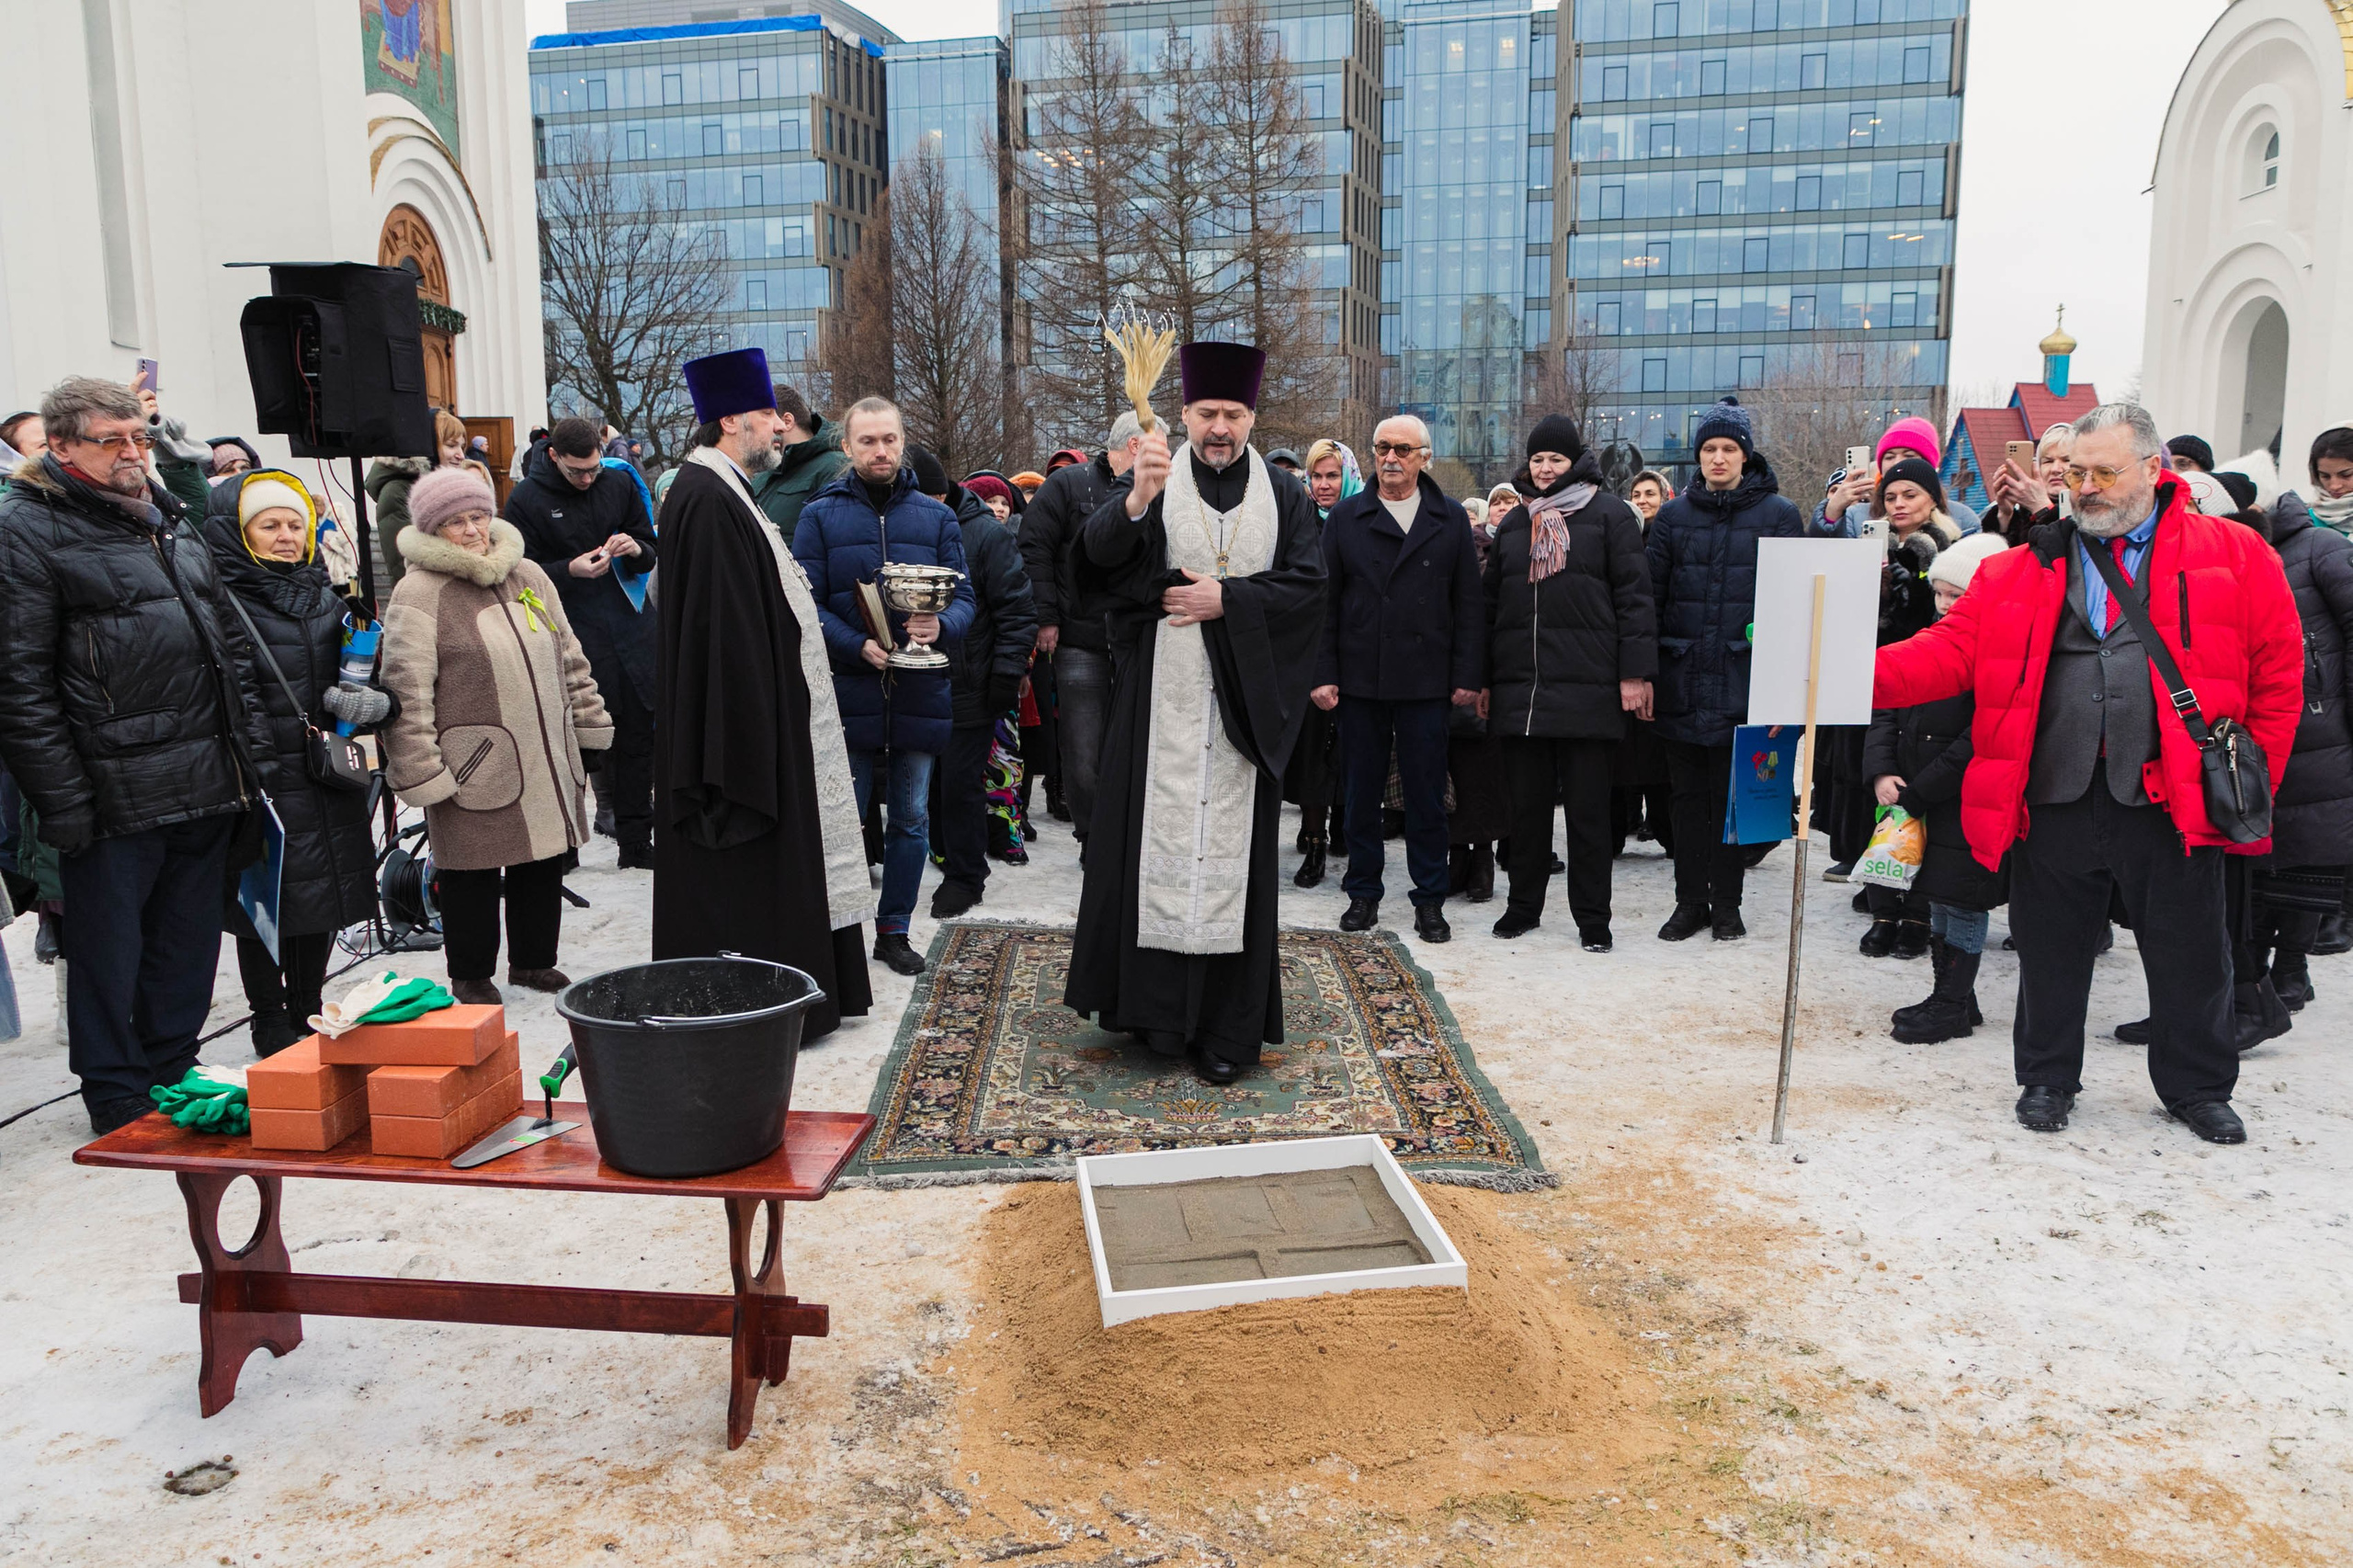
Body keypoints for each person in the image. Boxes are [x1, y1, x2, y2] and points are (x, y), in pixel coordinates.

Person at [1872, 403, 2302, 1144]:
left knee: (2190, 952)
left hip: (2174, 795)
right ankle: (2046, 1075)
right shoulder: (2022, 566)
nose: (2089, 488)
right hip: (2053, 790)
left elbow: (2279, 673)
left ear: (2153, 469)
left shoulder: (2233, 554)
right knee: (2049, 947)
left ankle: (2197, 1085)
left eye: (2105, 472)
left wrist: (2249, 769)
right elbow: (1945, 655)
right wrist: (1838, 675)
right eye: (2076, 474)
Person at [0, 377, 275, 1132]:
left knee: (185, 944)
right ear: (59, 446)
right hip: (109, 787)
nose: (132, 453)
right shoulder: (23, 528)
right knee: (108, 952)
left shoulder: (166, 518)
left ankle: (170, 1061)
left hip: (205, 774)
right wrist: (62, 799)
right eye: (112, 440)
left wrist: (246, 758)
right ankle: (114, 1085)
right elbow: (19, 684)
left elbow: (228, 649)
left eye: (139, 438)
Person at [1063, 342, 1325, 1085]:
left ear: (1252, 417)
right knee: (1154, 849)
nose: (1220, 428)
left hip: (1244, 712)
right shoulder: (1155, 473)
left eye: (1233, 415)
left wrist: (1229, 599)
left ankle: (1224, 1029)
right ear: (1183, 414)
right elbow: (1094, 570)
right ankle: (1154, 1018)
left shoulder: (1288, 495)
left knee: (1231, 864)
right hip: (1160, 705)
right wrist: (1137, 501)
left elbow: (1310, 590)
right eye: (1207, 413)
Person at [650, 349, 874, 1038]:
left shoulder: (723, 489)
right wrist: (749, 747)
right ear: (728, 423)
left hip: (766, 720)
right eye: (767, 419)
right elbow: (723, 642)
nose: (781, 429)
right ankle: (763, 1008)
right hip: (743, 738)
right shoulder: (707, 497)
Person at [380, 468, 613, 1005]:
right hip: (471, 759)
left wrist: (589, 721)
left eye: (478, 516)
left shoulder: (528, 574)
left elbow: (569, 656)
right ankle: (470, 972)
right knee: (471, 869)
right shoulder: (419, 592)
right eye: (456, 522)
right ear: (433, 530)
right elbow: (406, 690)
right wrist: (419, 767)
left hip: (543, 748)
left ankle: (533, 962)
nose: (471, 530)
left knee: (541, 858)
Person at [203, 472, 387, 1053]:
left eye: (295, 524)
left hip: (329, 773)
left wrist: (373, 702)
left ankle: (308, 1004)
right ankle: (268, 1016)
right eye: (270, 525)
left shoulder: (326, 598)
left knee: (325, 895)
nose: (286, 535)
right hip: (264, 780)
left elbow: (366, 680)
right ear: (239, 533)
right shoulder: (220, 600)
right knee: (266, 904)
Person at [792, 398, 975, 977]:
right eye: (867, 441)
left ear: (903, 441)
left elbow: (968, 600)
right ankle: (838, 935)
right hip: (850, 689)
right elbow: (805, 606)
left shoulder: (936, 517)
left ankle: (894, 929)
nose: (880, 451)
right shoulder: (819, 516)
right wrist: (854, 645)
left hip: (921, 690)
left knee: (912, 818)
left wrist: (940, 625)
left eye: (889, 440)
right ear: (846, 446)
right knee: (846, 819)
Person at [1481, 415, 1655, 950]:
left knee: (1587, 817)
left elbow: (1635, 599)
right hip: (1524, 692)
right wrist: (1485, 680)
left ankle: (1592, 918)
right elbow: (1490, 610)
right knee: (1526, 814)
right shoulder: (1516, 524)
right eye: (1537, 460)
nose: (1546, 468)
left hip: (1587, 691)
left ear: (1575, 461)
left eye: (1555, 459)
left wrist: (1635, 673)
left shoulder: (1609, 517)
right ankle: (1523, 907)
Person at [1312, 414, 1485, 944]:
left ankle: (1429, 899)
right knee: (1361, 794)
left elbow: (1469, 606)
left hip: (1426, 680)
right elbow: (1325, 604)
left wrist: (1467, 675)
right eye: (1382, 447)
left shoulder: (1450, 518)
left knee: (1426, 796)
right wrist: (1323, 673)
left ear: (1424, 457)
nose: (1391, 458)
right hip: (1361, 679)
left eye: (1404, 450)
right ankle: (1363, 893)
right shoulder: (1345, 518)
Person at [1646, 397, 1804, 940]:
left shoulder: (1779, 516)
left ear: (1745, 455)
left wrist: (1783, 687)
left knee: (1735, 800)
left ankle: (1729, 905)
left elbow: (1792, 607)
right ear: (1698, 456)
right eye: (1709, 448)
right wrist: (1648, 672)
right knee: (1687, 802)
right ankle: (1689, 902)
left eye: (1728, 449)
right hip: (1683, 679)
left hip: (1745, 682)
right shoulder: (1672, 516)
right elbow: (1652, 598)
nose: (1718, 458)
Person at [1866, 531, 2012, 1041]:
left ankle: (1951, 1001)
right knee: (1939, 896)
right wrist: (1883, 770)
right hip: (1916, 792)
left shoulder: (1999, 652)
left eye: (1959, 596)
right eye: (1940, 592)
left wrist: (1923, 789)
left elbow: (1980, 737)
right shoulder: (1930, 640)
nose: (1946, 605)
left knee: (1963, 899)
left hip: (1962, 797)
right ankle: (1954, 996)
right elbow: (1886, 707)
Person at [503, 417, 660, 869]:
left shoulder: (618, 482)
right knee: (572, 740)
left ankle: (635, 840)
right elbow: (517, 575)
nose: (588, 478)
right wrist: (566, 572)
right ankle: (565, 844)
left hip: (630, 629)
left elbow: (650, 546)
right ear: (553, 456)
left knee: (635, 738)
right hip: (568, 633)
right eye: (578, 472)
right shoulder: (526, 499)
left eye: (593, 468)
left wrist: (634, 550)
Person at [2241, 468, 2353, 1014]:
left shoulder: (2321, 548)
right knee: (2266, 854)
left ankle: (2289, 972)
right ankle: (2268, 976)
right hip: (2266, 719)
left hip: (2322, 722)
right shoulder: (2241, 547)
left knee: (2308, 852)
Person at [919, 449, 1040, 916]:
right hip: (914, 679)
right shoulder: (906, 529)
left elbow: (1017, 611)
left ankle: (966, 876)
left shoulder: (986, 535)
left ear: (945, 495)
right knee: (921, 788)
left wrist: (1007, 676)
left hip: (970, 682)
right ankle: (943, 854)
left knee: (960, 785)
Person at [1018, 413, 1144, 845]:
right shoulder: (1068, 485)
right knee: (1083, 746)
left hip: (1138, 642)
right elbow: (1034, 549)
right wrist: (1047, 617)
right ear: (1135, 447)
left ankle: (1130, 837)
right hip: (1079, 639)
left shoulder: (1161, 491)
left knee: (1134, 748)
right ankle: (1093, 838)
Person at [1283, 437, 1361, 887]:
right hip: (1309, 653)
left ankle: (1349, 833)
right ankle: (1313, 841)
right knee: (1312, 754)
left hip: (1357, 653)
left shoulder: (1363, 518)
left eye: (1333, 475)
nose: (1325, 484)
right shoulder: (1300, 521)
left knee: (1352, 753)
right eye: (1317, 476)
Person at [1815, 415, 1983, 538]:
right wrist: (1833, 510)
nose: (1897, 463)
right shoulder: (1857, 516)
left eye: (1908, 456)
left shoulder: (1964, 519)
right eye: (1889, 457)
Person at [367, 408, 470, 589]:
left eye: (462, 446)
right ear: (428, 446)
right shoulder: (398, 492)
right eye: (451, 445)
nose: (461, 455)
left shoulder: (444, 486)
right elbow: (403, 565)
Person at [750, 384, 848, 540]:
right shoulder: (763, 477)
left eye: (762, 421)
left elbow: (842, 541)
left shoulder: (836, 467)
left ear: (787, 421)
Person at [1985, 424, 2072, 545]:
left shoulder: (2090, 511)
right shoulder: (2025, 514)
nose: (2055, 469)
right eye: (2048, 461)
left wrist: (2042, 509)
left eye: (2066, 460)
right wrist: (2005, 515)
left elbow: (2069, 552)